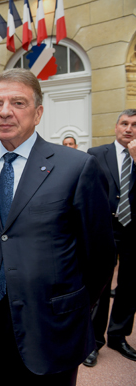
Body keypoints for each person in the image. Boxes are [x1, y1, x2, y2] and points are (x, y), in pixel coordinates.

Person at [0, 69, 116, 386]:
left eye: (17, 102)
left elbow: (101, 253)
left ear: (38, 113)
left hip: (53, 325)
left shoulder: (76, 166)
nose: (5, 111)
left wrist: (73, 302)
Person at [84, 109, 136, 366]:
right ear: (116, 127)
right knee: (101, 284)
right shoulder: (96, 154)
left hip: (133, 230)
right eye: (124, 123)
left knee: (129, 286)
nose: (129, 129)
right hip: (104, 228)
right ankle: (93, 341)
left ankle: (118, 335)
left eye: (134, 125)